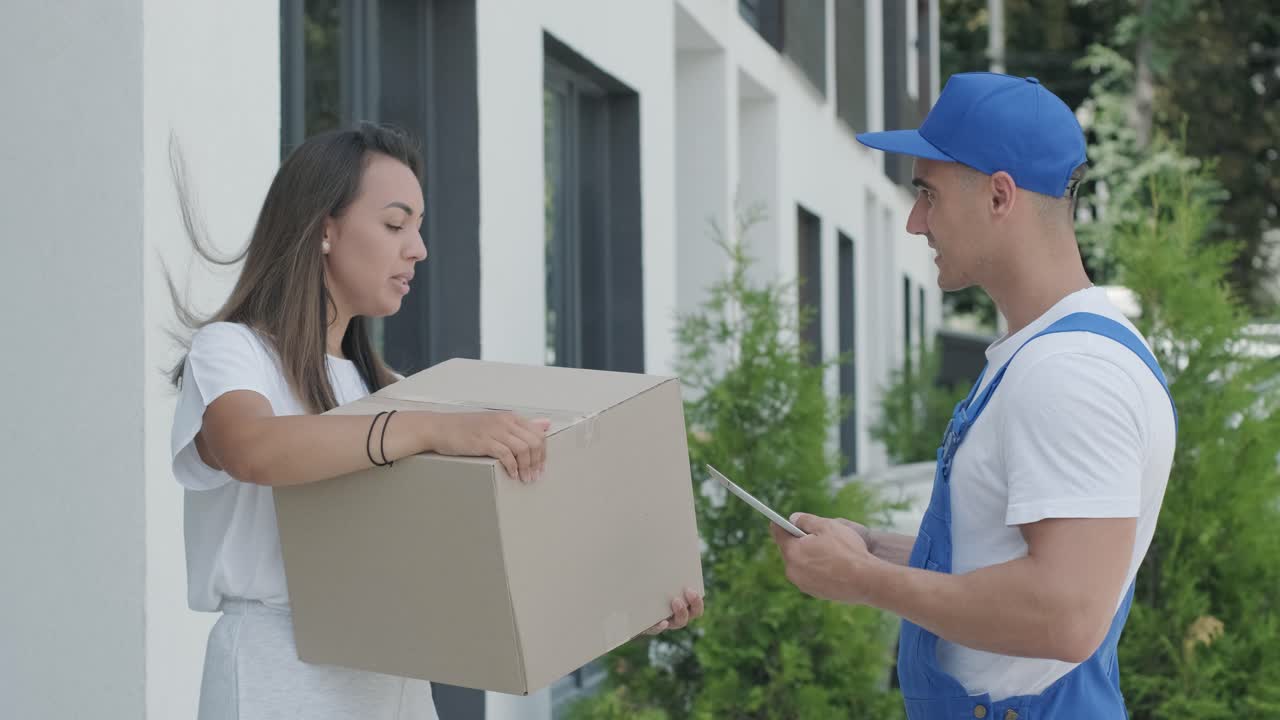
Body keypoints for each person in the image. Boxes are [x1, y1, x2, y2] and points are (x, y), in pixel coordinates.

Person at [169, 123, 703, 720]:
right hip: (278, 674)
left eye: (417, 228)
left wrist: (622, 603)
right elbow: (253, 449)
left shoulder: (390, 389)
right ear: (324, 228)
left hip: (392, 676)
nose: (417, 248)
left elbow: (476, 560)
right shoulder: (233, 351)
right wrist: (431, 428)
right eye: (396, 225)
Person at [771, 73, 1176, 719]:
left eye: (928, 193)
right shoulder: (1049, 353)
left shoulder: (1068, 373)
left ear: (999, 195)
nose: (914, 221)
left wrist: (864, 581)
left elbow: (1064, 614)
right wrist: (872, 546)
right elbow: (1000, 553)